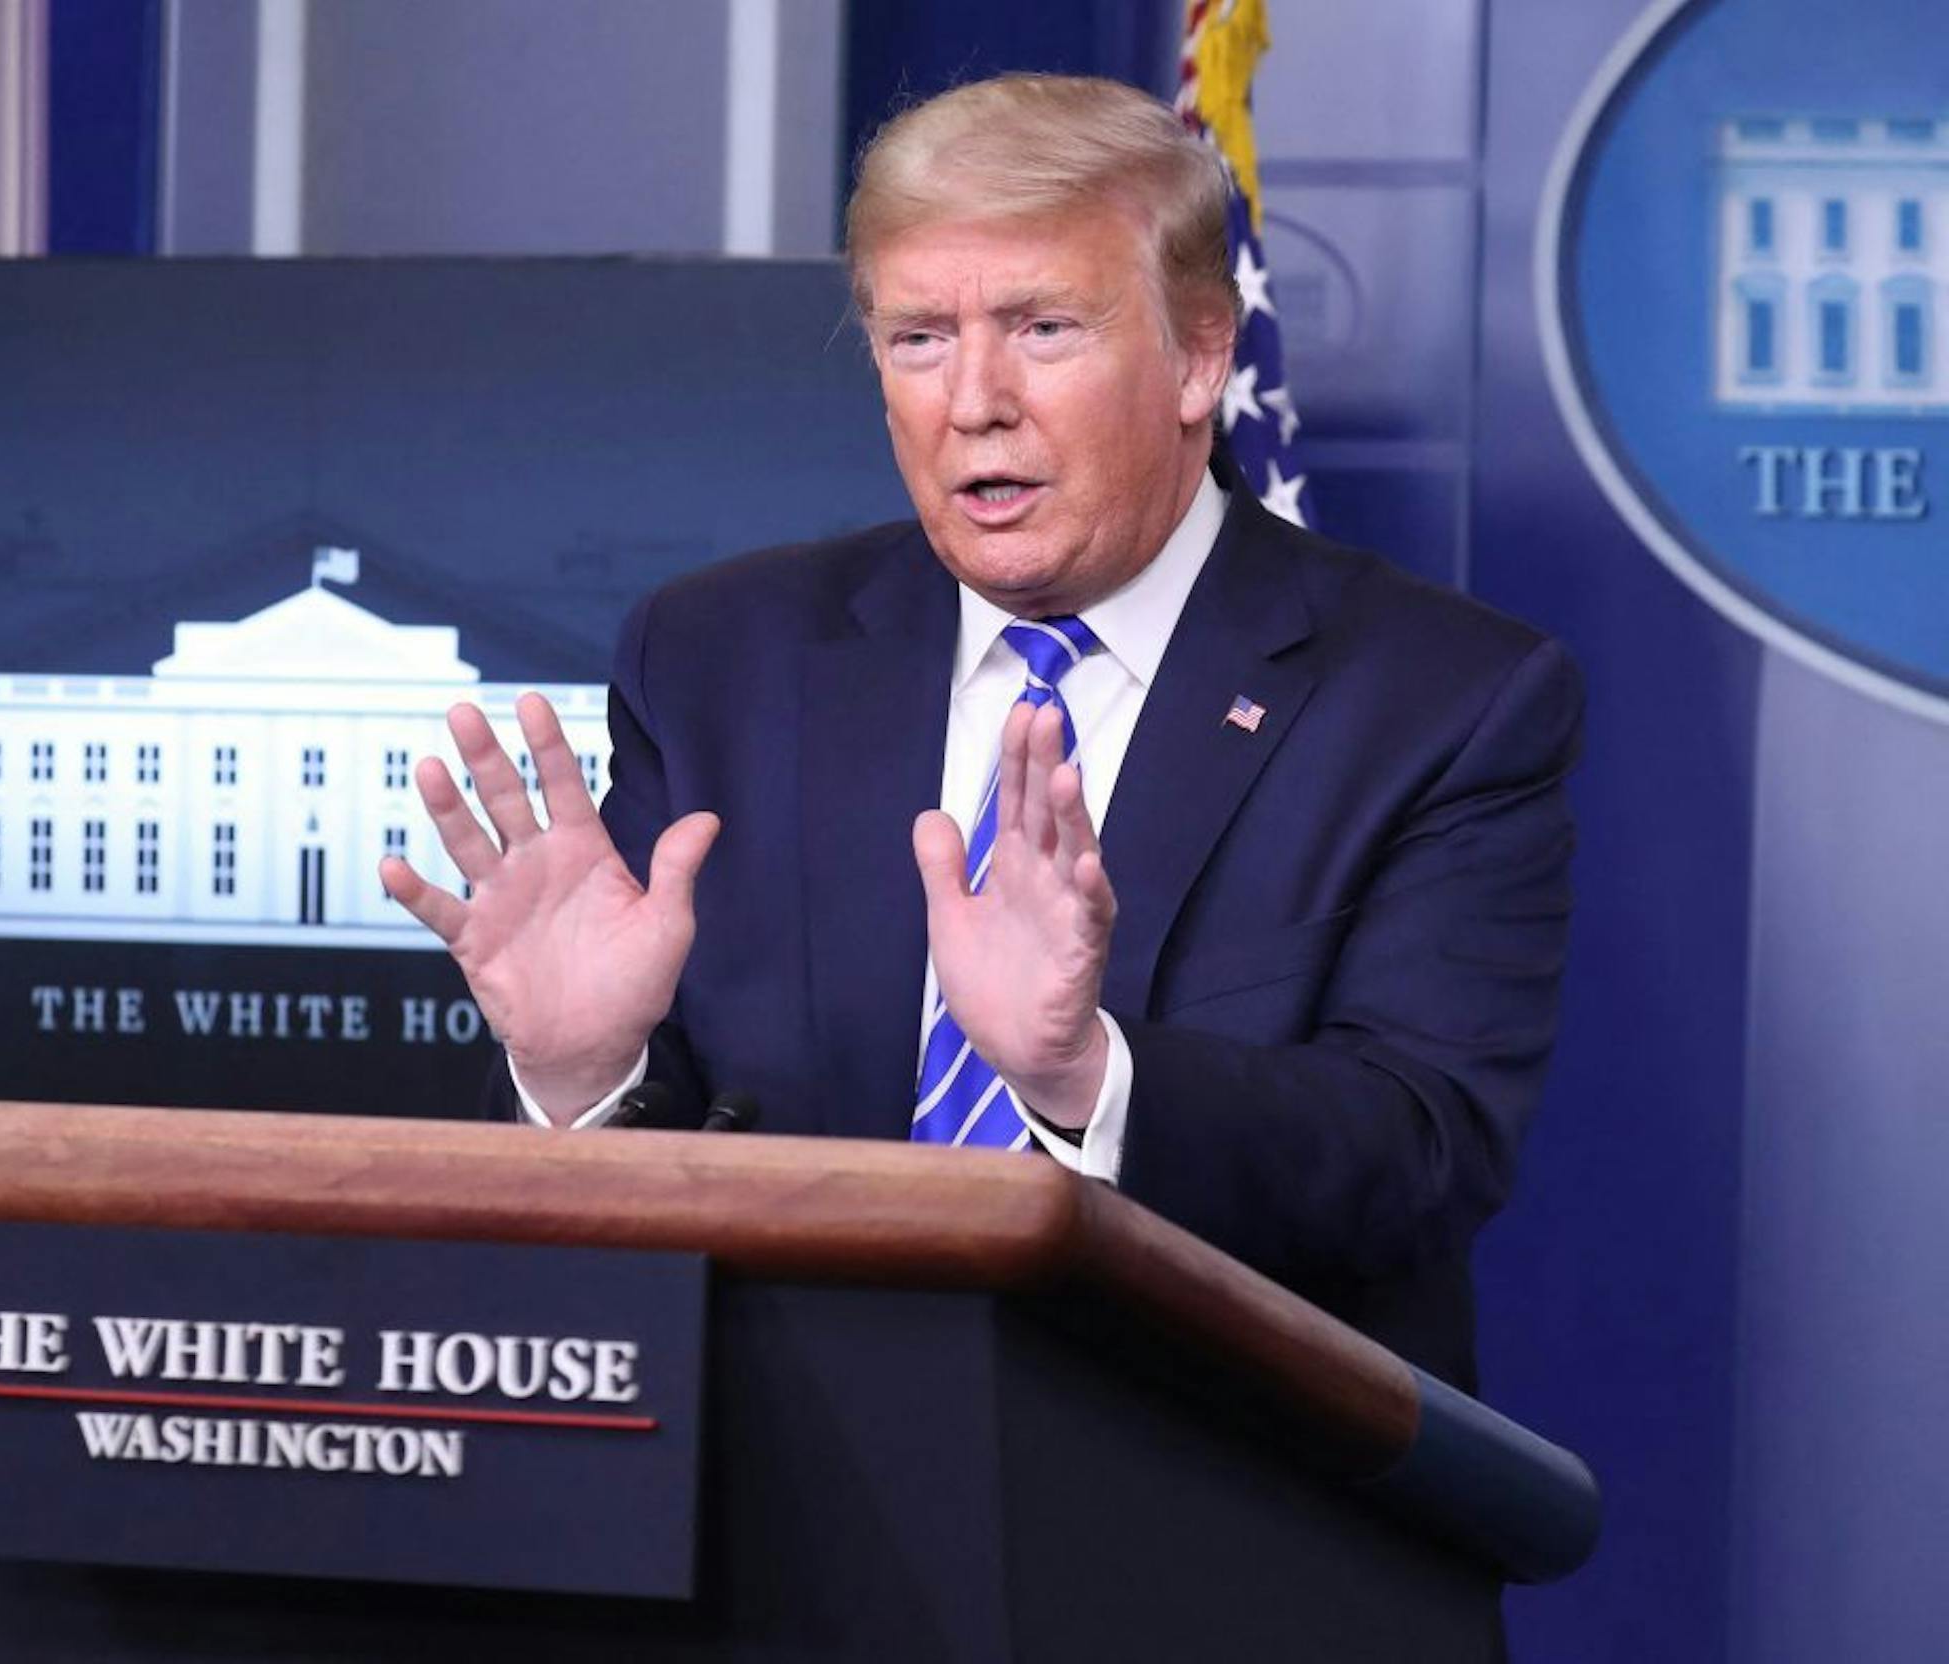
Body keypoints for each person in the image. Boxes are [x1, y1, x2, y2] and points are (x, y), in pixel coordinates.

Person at [382, 73, 1581, 1389]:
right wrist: (583, 1075)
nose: (973, 403)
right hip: (783, 1514)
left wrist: (1086, 1078)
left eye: (1044, 328)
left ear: (1199, 355)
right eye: (918, 340)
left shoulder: (1438, 700)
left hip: (1220, 1523)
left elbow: (1420, 1154)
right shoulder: (724, 657)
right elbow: (656, 1163)